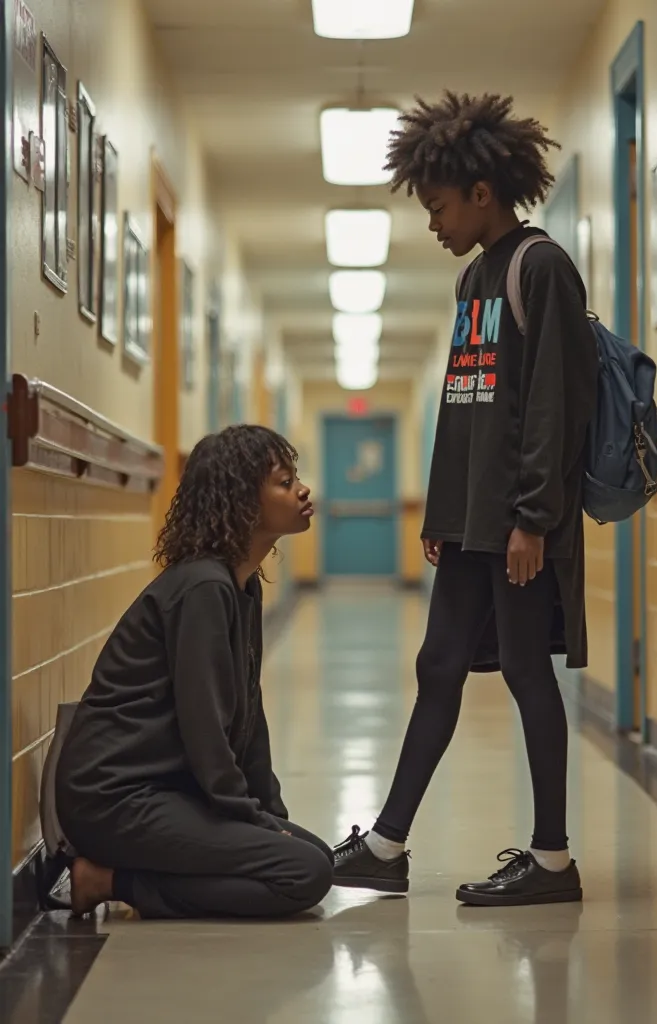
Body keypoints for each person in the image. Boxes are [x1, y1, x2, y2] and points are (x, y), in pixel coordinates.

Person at [333, 92, 599, 907]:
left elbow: (552, 406)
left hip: (518, 523)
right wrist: (445, 514)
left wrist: (532, 521)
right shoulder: (470, 281)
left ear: (482, 192)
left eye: (438, 205)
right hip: (474, 523)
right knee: (439, 663)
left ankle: (552, 861)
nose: (433, 221)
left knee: (525, 671)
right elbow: (465, 405)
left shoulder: (539, 267)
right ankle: (387, 844)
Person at [56, 425, 333, 920]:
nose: (302, 489)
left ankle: (130, 874)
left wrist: (268, 815)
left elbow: (249, 719)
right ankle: (108, 880)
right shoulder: (203, 588)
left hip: (168, 788)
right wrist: (250, 820)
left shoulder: (239, 587)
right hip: (116, 799)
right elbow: (204, 725)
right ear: (243, 500)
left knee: (315, 856)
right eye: (284, 481)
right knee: (303, 874)